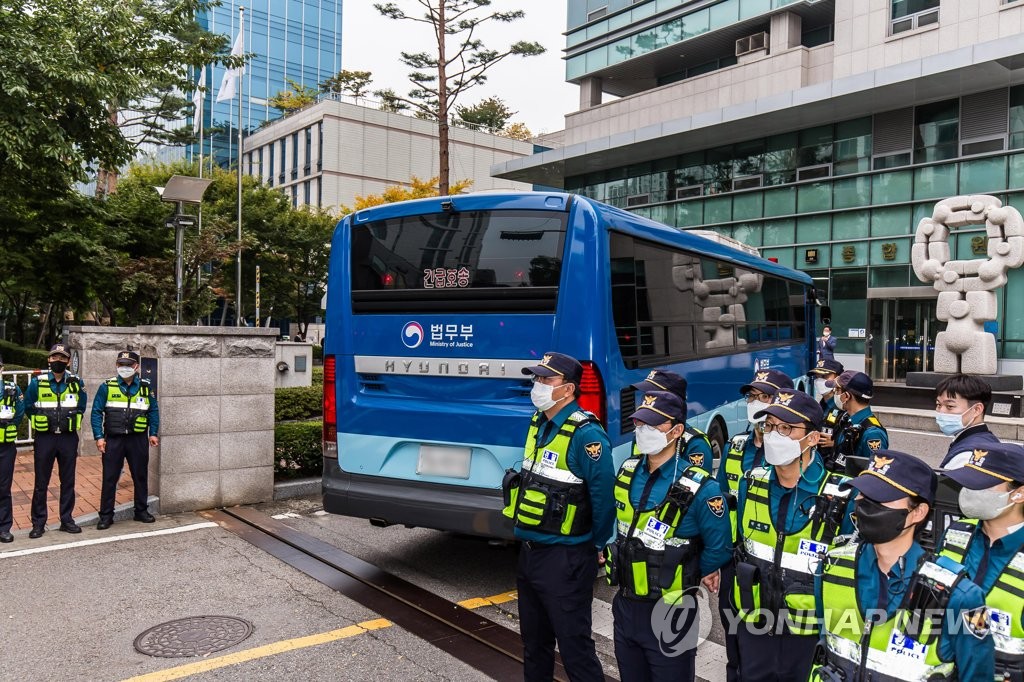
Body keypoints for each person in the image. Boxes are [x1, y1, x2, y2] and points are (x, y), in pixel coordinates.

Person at [813, 450, 994, 681]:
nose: (865, 505)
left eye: (880, 497)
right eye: (863, 494)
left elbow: (979, 674)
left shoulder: (963, 596)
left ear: (918, 512)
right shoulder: (832, 566)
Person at [502, 351, 614, 681]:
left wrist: (595, 546)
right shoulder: (539, 423)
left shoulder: (587, 436)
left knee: (574, 648)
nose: (537, 385)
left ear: (567, 390)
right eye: (536, 379)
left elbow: (603, 499)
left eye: (546, 380)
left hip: (566, 557)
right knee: (534, 646)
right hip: (529, 554)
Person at [606, 391, 731, 682]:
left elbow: (719, 546)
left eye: (652, 425)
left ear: (676, 431)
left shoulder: (701, 487)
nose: (642, 432)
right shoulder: (627, 471)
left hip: (672, 610)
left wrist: (688, 571)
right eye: (639, 424)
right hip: (625, 603)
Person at [732, 390, 855, 682]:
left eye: (786, 428)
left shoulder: (842, 494)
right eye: (770, 426)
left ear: (812, 438)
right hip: (755, 626)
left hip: (810, 635)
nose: (775, 435)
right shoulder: (751, 484)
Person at [715, 367, 794, 682]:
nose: (756, 404)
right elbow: (720, 506)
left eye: (765, 397)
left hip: (779, 572)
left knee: (776, 657)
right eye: (752, 397)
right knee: (735, 644)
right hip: (737, 565)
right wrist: (716, 560)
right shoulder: (736, 446)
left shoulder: (794, 454)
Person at [937, 443, 1024, 681]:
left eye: (982, 484)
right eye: (968, 482)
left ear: (1019, 493)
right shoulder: (955, 534)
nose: (969, 490)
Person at [91, 350, 160, 528]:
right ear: (116, 365)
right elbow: (96, 412)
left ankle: (141, 511)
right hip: (114, 439)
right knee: (109, 478)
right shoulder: (107, 386)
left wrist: (153, 433)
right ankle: (106, 516)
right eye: (121, 364)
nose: (124, 368)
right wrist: (99, 437)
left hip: (138, 439)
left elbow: (153, 411)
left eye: (128, 365)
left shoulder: (145, 387)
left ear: (136, 367)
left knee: (140, 476)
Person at [24, 343, 87, 537]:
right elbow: (28, 407)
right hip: (45, 438)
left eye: (62, 358)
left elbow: (81, 406)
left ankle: (66, 520)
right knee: (41, 482)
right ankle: (38, 523)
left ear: (68, 361)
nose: (58, 361)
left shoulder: (76, 382)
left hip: (68, 438)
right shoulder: (37, 382)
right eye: (54, 357)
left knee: (68, 481)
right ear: (49, 360)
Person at [631, 369, 713, 473]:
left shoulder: (694, 444)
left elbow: (699, 484)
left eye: (654, 394)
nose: (647, 398)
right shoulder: (641, 433)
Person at [827, 370, 887, 476]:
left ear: (846, 396)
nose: (835, 394)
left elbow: (875, 474)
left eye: (837, 390)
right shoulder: (846, 419)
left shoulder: (872, 433)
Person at [934, 373, 1001, 468]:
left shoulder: (967, 456)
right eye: (938, 404)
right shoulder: (988, 439)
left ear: (977, 409)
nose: (941, 411)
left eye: (950, 406)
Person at [0, 355, 26, 543]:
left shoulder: (12, 389)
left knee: (3, 488)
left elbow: (20, 413)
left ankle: (4, 528)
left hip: (5, 447)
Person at [809, 358, 845, 473]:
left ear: (837, 378)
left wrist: (836, 443)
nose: (820, 381)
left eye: (824, 377)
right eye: (817, 377)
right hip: (817, 461)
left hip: (835, 466)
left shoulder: (843, 406)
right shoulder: (818, 406)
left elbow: (855, 442)